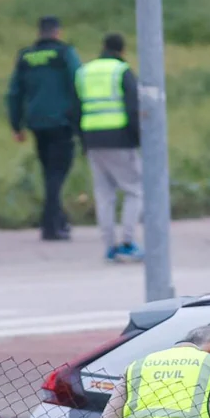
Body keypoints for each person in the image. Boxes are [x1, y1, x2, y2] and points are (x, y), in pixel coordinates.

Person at [7, 16, 82, 242]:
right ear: (57, 32)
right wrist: (80, 122)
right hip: (61, 122)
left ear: (40, 32)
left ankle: (58, 219)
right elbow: (79, 83)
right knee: (57, 174)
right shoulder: (64, 54)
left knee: (49, 172)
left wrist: (16, 124)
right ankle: (50, 225)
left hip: (37, 123)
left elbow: (14, 93)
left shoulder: (26, 57)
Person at [76, 32, 143, 265]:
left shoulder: (84, 72)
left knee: (104, 196)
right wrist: (139, 139)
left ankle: (109, 247)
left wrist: (83, 142)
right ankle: (128, 242)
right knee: (134, 190)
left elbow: (75, 109)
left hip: (92, 140)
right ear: (122, 51)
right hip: (120, 139)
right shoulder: (121, 71)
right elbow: (133, 108)